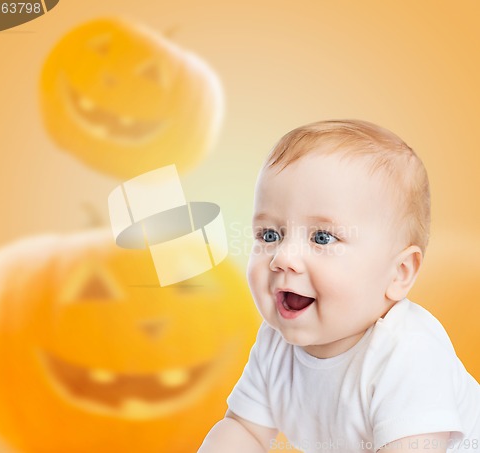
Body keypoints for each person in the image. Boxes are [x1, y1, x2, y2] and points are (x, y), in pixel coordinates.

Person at [197, 120, 480, 453]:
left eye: (322, 237)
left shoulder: (408, 352)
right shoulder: (275, 344)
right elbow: (243, 430)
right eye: (270, 236)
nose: (282, 257)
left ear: (399, 273)